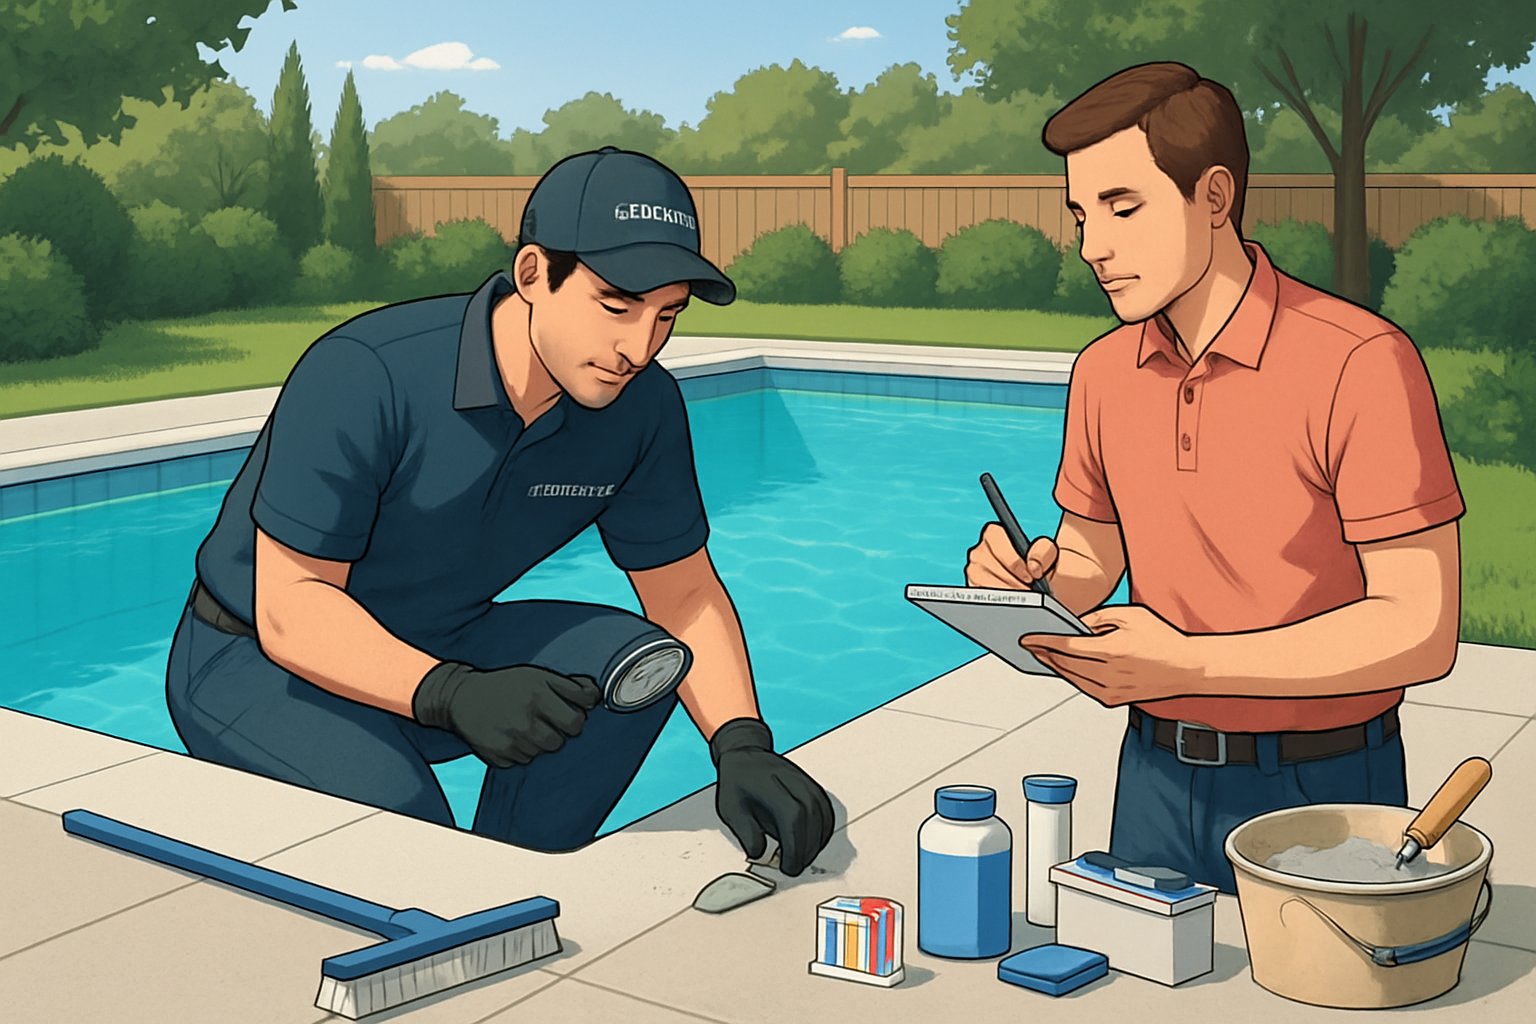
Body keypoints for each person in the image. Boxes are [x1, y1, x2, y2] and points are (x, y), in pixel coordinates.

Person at [166, 146, 834, 875]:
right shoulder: (367, 371)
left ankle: (521, 870)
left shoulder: (641, 409)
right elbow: (293, 606)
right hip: (257, 657)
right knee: (414, 840)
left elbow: (683, 592)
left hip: (446, 641)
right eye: (616, 305)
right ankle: (456, 882)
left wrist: (741, 743)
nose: (638, 347)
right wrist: (451, 694)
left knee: (640, 666)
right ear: (533, 274)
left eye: (665, 315)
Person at [964, 63, 1463, 894]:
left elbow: (1422, 626)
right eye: (1082, 215)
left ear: (1216, 197)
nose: (1094, 246)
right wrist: (1036, 580)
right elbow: (1092, 559)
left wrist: (1193, 665)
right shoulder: (1102, 372)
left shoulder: (1361, 363)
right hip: (1154, 774)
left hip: (1322, 784)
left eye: (1124, 208)